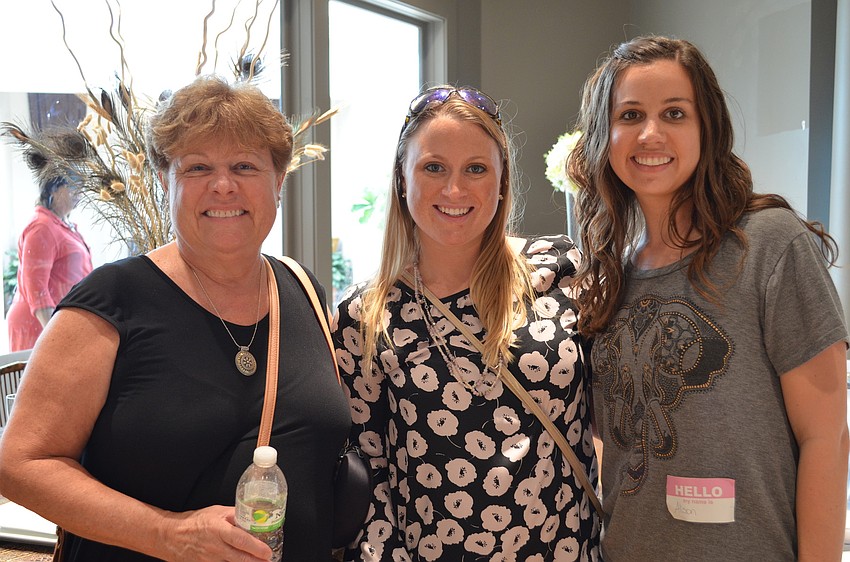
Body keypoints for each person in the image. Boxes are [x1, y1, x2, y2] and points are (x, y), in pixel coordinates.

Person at [0, 75, 351, 561]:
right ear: (165, 181)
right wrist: (168, 533)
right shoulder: (113, 300)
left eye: (245, 166)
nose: (223, 185)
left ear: (279, 183)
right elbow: (21, 463)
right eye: (198, 167)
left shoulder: (302, 290)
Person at [568, 35, 849, 561]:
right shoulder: (609, 280)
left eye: (674, 112)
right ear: (604, 137)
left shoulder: (770, 244)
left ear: (708, 128)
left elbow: (827, 438)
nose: (650, 133)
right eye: (630, 114)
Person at [332, 85, 600, 561]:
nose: (454, 190)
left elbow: (614, 414)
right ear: (401, 179)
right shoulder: (365, 316)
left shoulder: (558, 270)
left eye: (476, 169)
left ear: (501, 181)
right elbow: (367, 473)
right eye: (433, 167)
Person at [7, 172, 93, 351]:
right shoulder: (41, 227)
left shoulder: (61, 224)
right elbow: (37, 290)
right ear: (54, 189)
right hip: (38, 325)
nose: (80, 194)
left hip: (57, 322)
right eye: (74, 187)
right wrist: (55, 337)